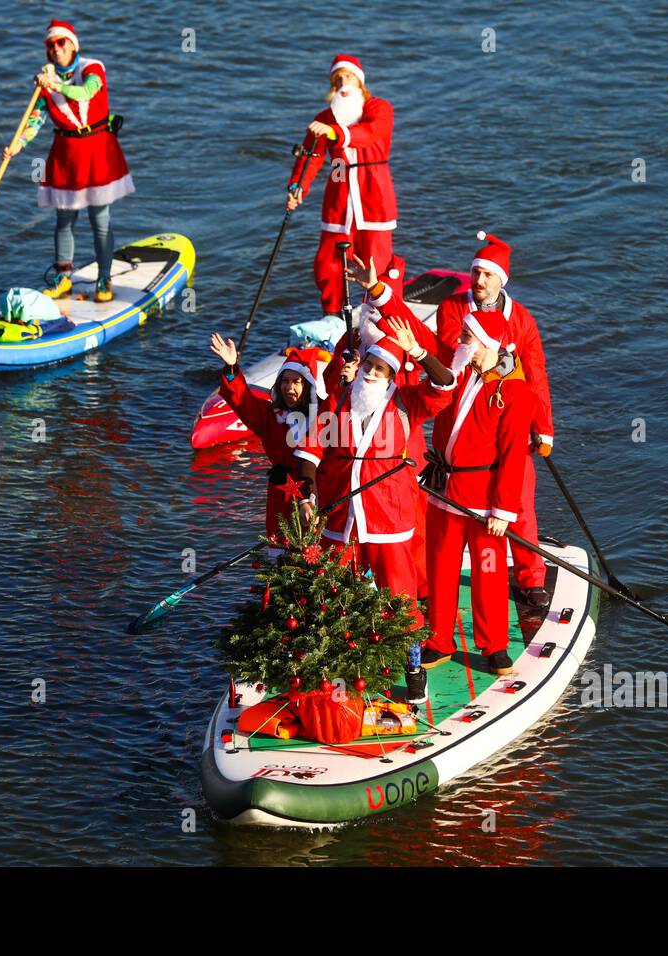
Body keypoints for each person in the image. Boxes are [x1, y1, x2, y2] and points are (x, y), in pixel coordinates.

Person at [314, 286, 454, 630]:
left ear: (393, 373)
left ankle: (413, 665)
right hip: (344, 508)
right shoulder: (344, 391)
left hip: (388, 506)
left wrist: (418, 352)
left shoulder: (405, 399)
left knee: (399, 593)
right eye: (370, 366)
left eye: (381, 369)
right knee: (336, 590)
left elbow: (444, 386)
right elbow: (318, 435)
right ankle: (343, 652)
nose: (372, 373)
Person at [433, 232, 555, 606]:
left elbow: (534, 373)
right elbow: (460, 353)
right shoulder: (453, 308)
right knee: (448, 506)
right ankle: (434, 578)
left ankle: (530, 577)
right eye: (475, 273)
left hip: (510, 416)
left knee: (520, 500)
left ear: (502, 280)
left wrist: (543, 428)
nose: (479, 281)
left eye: (488, 275)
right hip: (466, 416)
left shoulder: (521, 318)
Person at [421, 308, 535, 676]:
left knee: (488, 573)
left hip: (483, 503)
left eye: (467, 338)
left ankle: (494, 647)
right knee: (440, 569)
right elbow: (422, 349)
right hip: (444, 491)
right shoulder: (454, 376)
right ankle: (438, 640)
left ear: (486, 343)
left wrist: (503, 511)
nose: (460, 342)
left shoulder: (515, 392)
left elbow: (513, 455)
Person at [3, 20, 134, 304]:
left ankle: (104, 278)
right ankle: (64, 278)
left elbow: (86, 92)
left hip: (97, 148)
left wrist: (54, 84)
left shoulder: (92, 67)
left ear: (73, 44)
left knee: (99, 220)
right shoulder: (44, 81)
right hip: (65, 152)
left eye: (61, 42)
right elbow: (36, 119)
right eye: (50, 44)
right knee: (64, 220)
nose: (56, 48)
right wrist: (18, 145)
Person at [286, 55, 397, 318]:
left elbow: (372, 133)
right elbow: (311, 156)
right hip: (339, 192)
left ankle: (380, 310)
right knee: (329, 261)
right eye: (337, 78)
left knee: (375, 258)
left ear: (359, 80)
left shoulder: (379, 108)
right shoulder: (325, 118)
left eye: (347, 76)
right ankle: (333, 314)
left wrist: (336, 133)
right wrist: (297, 187)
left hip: (374, 191)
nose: (342, 82)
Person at [209, 335, 326, 538]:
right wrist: (231, 368)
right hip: (281, 492)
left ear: (308, 385)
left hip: (316, 489)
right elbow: (242, 399)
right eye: (285, 381)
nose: (289, 388)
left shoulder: (324, 416)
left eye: (296, 382)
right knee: (280, 546)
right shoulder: (269, 415)